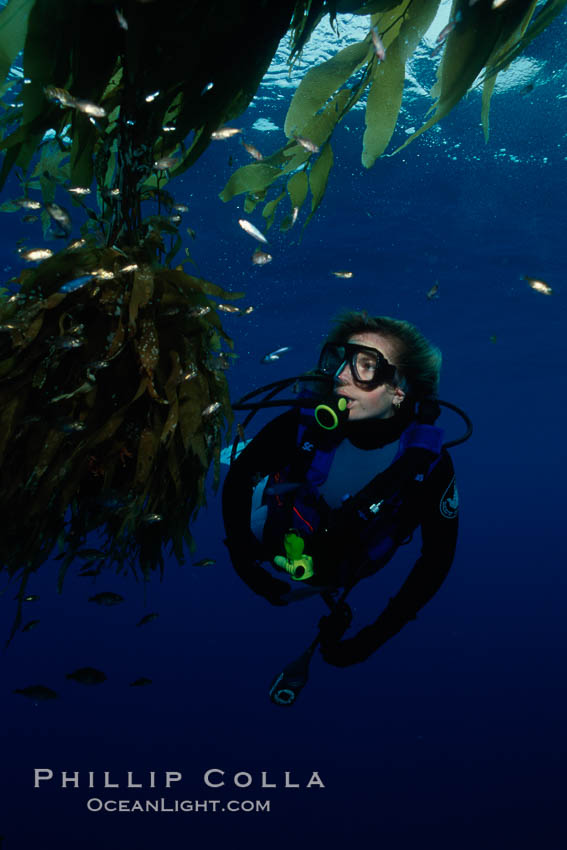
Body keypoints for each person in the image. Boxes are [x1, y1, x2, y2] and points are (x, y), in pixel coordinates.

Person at [222, 312, 459, 667]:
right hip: (274, 530)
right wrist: (242, 560)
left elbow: (437, 558)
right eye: (340, 360)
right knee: (251, 469)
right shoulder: (299, 424)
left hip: (341, 567)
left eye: (366, 365)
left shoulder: (429, 465)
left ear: (400, 389)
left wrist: (373, 637)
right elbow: (239, 479)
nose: (341, 376)